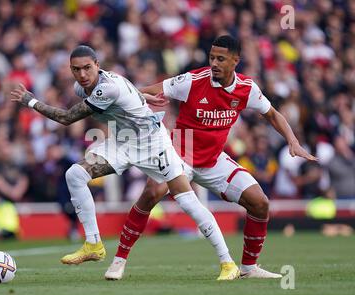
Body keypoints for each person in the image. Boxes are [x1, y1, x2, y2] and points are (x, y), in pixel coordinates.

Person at [11, 45, 239, 281]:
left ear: (98, 65)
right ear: (71, 70)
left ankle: (228, 263)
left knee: (188, 201)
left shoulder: (107, 87)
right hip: (122, 141)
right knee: (75, 175)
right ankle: (93, 245)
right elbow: (126, 93)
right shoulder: (83, 87)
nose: (82, 74)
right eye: (76, 69)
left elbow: (66, 118)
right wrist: (142, 97)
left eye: (87, 68)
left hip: (153, 144)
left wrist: (30, 101)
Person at [105, 35, 317, 280]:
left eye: (220, 59)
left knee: (260, 203)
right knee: (152, 192)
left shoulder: (247, 89)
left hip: (213, 160)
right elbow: (150, 90)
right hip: (179, 154)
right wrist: (124, 99)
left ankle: (249, 268)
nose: (214, 63)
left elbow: (272, 114)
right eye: (211, 57)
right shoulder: (192, 81)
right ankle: (119, 261)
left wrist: (293, 141)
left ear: (235, 61)